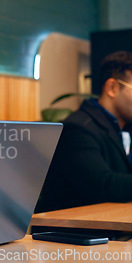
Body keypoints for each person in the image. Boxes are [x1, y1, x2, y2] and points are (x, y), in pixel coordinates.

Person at [36, 51, 132, 213]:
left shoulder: (125, 128)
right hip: (75, 233)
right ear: (113, 88)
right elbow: (102, 185)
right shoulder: (78, 128)